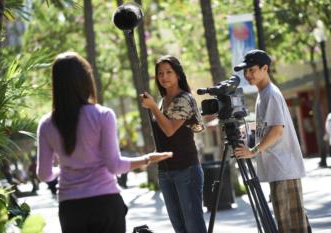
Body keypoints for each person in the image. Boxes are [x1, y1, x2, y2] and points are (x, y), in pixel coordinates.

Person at [36, 51, 172, 233]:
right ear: (85, 80)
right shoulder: (102, 115)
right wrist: (147, 159)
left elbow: (44, 174)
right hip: (105, 202)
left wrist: (68, 168)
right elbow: (114, 166)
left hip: (70, 208)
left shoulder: (46, 124)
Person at [233, 49, 311, 233]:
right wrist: (249, 128)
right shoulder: (263, 94)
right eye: (245, 71)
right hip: (279, 168)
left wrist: (253, 151)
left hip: (283, 168)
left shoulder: (270, 94)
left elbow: (277, 130)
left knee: (290, 225)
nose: (247, 75)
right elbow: (269, 126)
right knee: (292, 222)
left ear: (265, 68)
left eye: (251, 70)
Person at [140, 55, 207, 233]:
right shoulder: (162, 102)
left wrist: (153, 107)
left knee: (194, 227)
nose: (164, 76)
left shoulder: (184, 99)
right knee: (179, 227)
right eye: (160, 73)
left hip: (186, 169)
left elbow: (170, 130)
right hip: (165, 171)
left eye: (169, 72)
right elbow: (164, 137)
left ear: (178, 74)